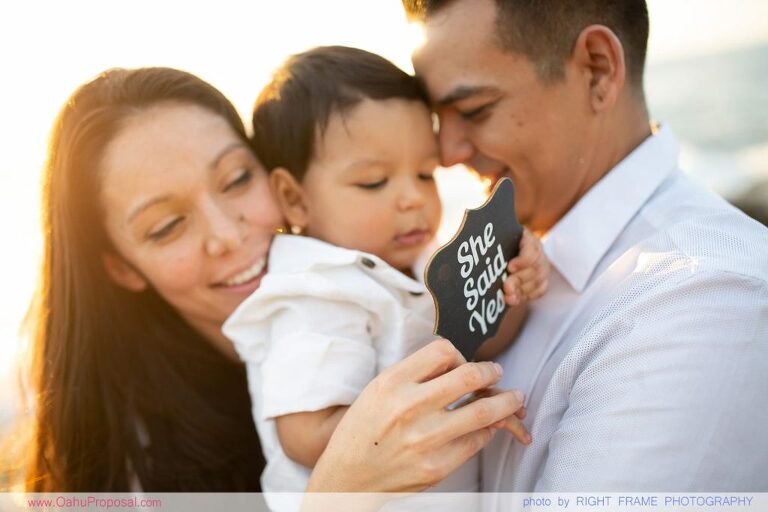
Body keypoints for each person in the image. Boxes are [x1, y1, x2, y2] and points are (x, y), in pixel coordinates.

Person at [18, 66, 528, 494]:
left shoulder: (373, 281)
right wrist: (338, 492)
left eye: (237, 179)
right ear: (122, 267)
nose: (226, 235)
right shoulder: (131, 470)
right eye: (167, 226)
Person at [402, 0, 768, 499]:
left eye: (474, 110)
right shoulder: (513, 258)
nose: (446, 154)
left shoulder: (704, 297)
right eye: (438, 119)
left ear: (598, 70)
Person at [222, 46, 544, 505]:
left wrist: (515, 283)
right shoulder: (316, 293)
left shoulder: (417, 264)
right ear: (294, 200)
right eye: (374, 182)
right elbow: (306, 435)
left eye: (425, 175)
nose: (413, 198)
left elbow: (484, 340)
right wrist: (447, 411)